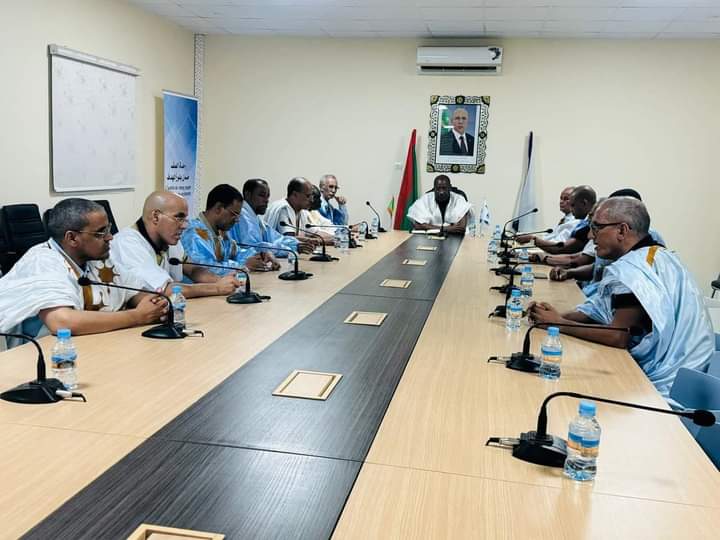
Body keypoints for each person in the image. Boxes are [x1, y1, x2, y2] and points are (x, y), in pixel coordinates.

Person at [528, 197, 713, 398]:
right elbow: (599, 309)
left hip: (668, 386)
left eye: (596, 227)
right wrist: (553, 316)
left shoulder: (634, 268)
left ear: (622, 230)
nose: (590, 236)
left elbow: (618, 335)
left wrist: (559, 324)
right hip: (694, 374)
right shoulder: (656, 255)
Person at [0, 198, 167, 341]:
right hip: (34, 356)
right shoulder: (43, 262)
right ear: (72, 238)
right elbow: (62, 322)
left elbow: (136, 292)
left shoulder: (96, 258)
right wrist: (136, 316)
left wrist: (154, 305)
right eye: (101, 233)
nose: (110, 237)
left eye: (108, 229)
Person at [111, 191, 242, 297]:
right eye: (179, 218)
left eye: (185, 219)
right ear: (156, 217)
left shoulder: (168, 238)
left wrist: (220, 281)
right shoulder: (128, 243)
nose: (185, 225)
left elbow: (193, 269)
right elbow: (165, 290)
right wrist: (216, 288)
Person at [182, 184, 279, 274]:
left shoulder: (219, 232)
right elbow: (205, 268)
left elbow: (237, 253)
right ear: (218, 208)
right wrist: (241, 266)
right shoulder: (194, 233)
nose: (237, 220)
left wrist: (261, 255)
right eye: (234, 214)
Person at [228, 178, 314, 256]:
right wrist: (290, 249)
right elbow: (254, 247)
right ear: (248, 195)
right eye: (262, 195)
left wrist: (296, 244)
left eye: (268, 196)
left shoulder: (255, 217)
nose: (266, 200)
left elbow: (275, 238)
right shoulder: (242, 215)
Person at [530, 185, 596, 255]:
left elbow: (561, 249)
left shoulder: (585, 226)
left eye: (572, 205)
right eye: (561, 198)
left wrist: (532, 240)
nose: (571, 209)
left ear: (584, 203)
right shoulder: (585, 222)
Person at [265, 177, 334, 244]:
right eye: (308, 196)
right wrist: (317, 241)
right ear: (295, 195)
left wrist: (335, 238)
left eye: (311, 196)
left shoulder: (303, 211)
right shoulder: (283, 209)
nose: (311, 200)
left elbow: (316, 233)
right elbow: (290, 239)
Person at [407, 175, 472, 234]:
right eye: (438, 188)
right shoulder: (425, 199)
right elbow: (418, 225)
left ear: (450, 187)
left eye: (444, 188)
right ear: (434, 188)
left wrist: (428, 226)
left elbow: (461, 228)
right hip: (429, 237)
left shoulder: (459, 199)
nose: (441, 192)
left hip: (454, 237)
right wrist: (447, 228)